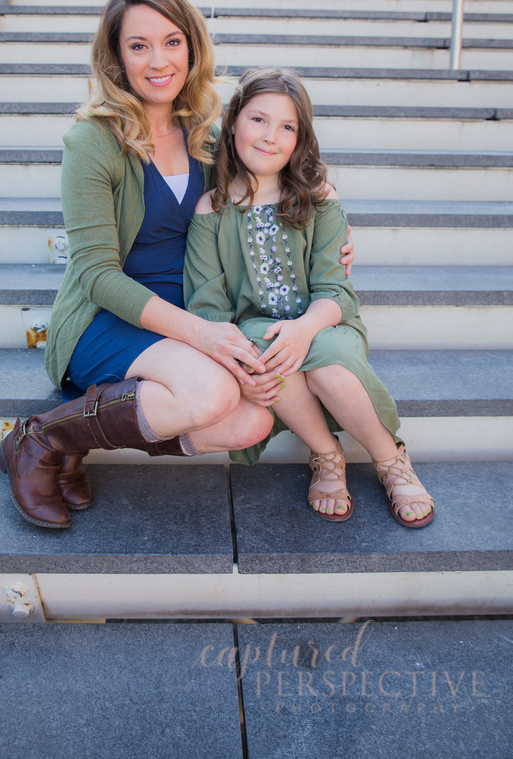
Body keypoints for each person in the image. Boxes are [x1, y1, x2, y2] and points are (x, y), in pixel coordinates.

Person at [0, 0, 354, 529]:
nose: (158, 60)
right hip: (108, 317)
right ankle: (40, 439)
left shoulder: (209, 134)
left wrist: (329, 231)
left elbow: (272, 183)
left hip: (195, 310)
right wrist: (202, 335)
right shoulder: (91, 141)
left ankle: (76, 441)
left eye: (172, 41)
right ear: (115, 56)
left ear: (192, 48)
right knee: (210, 393)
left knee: (251, 423)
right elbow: (94, 273)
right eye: (138, 45)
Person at [183, 67, 434, 528]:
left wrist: (304, 329)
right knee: (268, 358)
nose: (270, 136)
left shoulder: (318, 198)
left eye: (288, 126)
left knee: (329, 367)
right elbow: (209, 309)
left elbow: (336, 291)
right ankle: (327, 454)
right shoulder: (211, 210)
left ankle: (390, 459)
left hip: (325, 323)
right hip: (255, 331)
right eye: (258, 119)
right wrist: (239, 359)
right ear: (233, 121)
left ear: (301, 138)